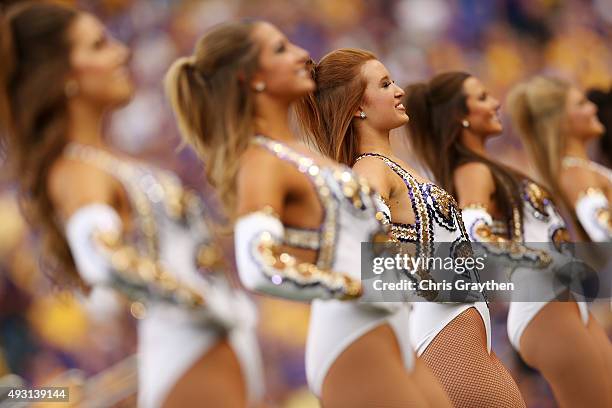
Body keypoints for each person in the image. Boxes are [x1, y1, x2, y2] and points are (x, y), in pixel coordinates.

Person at [0, 3, 262, 407]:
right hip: (190, 359)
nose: (122, 53)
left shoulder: (106, 161)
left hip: (204, 353)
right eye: (99, 45)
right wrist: (203, 302)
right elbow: (100, 256)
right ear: (63, 75)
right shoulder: (76, 168)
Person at [165, 22, 435, 407]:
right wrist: (350, 287)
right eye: (280, 50)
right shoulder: (261, 161)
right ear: (252, 78)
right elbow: (257, 263)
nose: (300, 55)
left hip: (391, 328)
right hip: (353, 339)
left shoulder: (303, 154)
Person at [297, 48, 524, 407]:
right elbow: (367, 251)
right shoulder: (370, 169)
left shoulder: (394, 166)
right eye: (385, 84)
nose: (399, 91)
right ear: (358, 106)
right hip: (445, 336)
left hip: (461, 331)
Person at [404, 71, 612, 407]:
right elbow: (475, 231)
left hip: (560, 300)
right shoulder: (472, 170)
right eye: (483, 97)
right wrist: (536, 259)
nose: (495, 102)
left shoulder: (487, 166)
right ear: (462, 117)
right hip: (542, 305)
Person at [507, 76, 611, 242]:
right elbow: (603, 233)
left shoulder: (580, 168)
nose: (593, 108)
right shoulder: (575, 173)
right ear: (561, 121)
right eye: (582, 103)